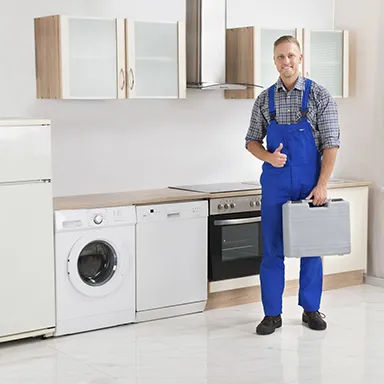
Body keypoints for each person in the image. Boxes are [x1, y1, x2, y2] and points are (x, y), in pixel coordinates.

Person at [245, 35, 340, 335]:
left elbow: (331, 144)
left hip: (309, 184)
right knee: (272, 250)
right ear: (274, 61)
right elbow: (251, 142)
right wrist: (267, 157)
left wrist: (323, 184)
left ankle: (311, 309)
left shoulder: (318, 96)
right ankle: (272, 314)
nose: (286, 61)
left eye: (291, 56)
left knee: (312, 248)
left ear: (300, 58)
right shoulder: (264, 100)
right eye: (280, 57)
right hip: (275, 186)